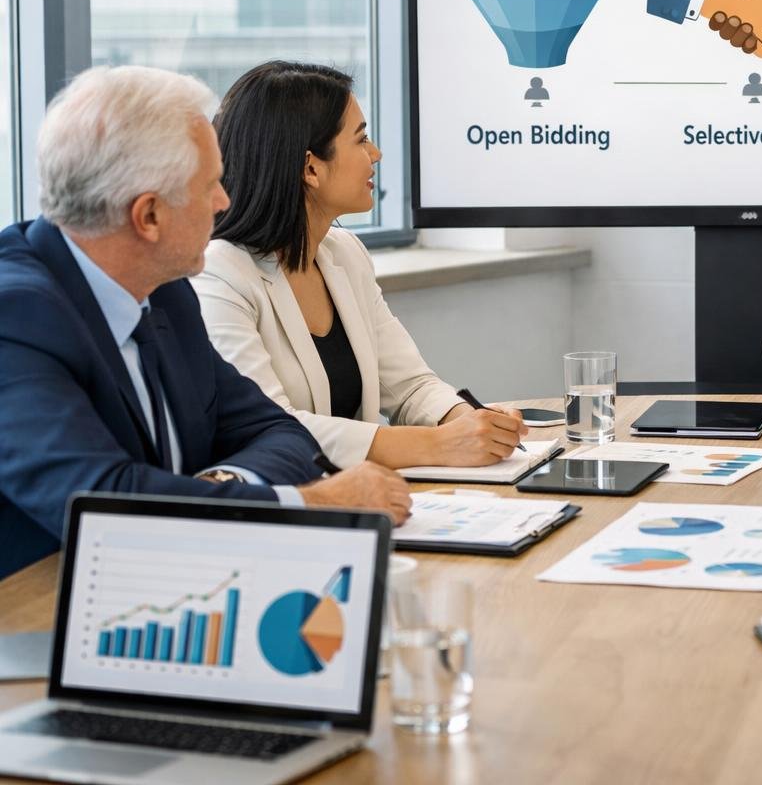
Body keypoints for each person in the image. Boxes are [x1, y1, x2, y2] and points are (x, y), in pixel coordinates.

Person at [0, 66, 412, 580]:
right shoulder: (15, 317)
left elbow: (277, 431)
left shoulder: (166, 290)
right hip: (33, 615)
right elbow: (102, 502)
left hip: (163, 585)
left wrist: (220, 485)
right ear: (148, 216)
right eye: (210, 186)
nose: (224, 203)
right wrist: (305, 504)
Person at [193, 61, 529, 472]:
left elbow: (409, 387)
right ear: (310, 168)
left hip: (369, 496)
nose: (376, 154)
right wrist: (437, 445)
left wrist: (467, 423)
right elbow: (270, 428)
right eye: (362, 139)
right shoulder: (219, 274)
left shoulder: (345, 254)